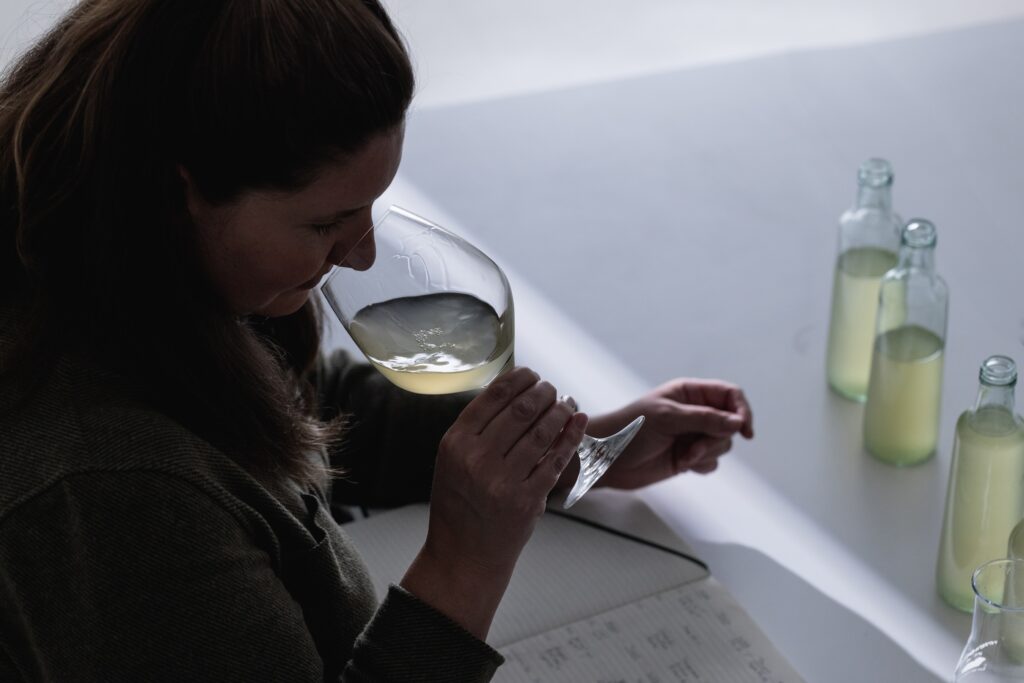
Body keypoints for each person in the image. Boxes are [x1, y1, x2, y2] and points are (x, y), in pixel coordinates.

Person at [0, 1, 754, 680]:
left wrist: (562, 452)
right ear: (181, 191)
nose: (361, 253)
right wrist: (463, 569)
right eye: (327, 223)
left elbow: (298, 407)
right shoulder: (113, 495)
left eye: (372, 207)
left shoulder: (143, 279)